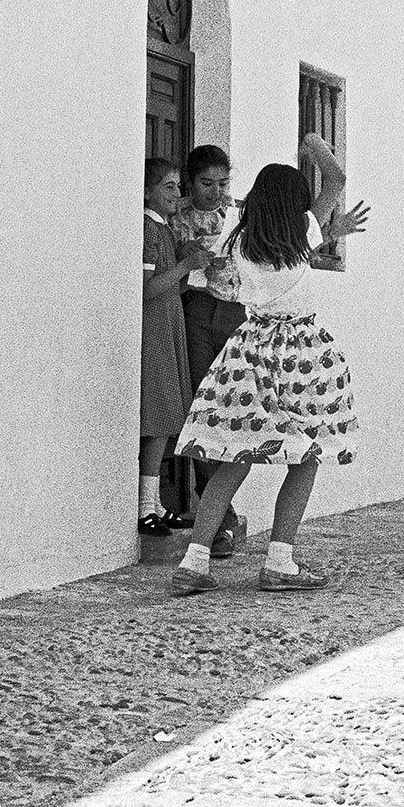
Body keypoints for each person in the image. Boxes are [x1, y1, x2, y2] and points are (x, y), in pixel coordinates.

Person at [170, 135, 370, 594]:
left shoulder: (239, 238)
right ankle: (280, 560)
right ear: (296, 204)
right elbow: (335, 178)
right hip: (301, 354)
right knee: (306, 455)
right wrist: (314, 143)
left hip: (250, 350)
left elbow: (215, 280)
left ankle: (194, 562)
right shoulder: (303, 231)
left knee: (234, 457)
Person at [169, 143, 246, 556]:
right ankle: (217, 513)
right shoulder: (175, 215)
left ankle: (218, 512)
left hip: (234, 311)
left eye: (222, 182)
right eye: (206, 183)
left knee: (231, 408)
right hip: (196, 309)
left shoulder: (236, 212)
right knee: (200, 404)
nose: (216, 191)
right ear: (189, 182)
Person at [140, 157, 203, 537]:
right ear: (147, 191)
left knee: (167, 415)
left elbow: (172, 285)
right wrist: (183, 267)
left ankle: (156, 502)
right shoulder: (148, 229)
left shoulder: (165, 230)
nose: (177, 194)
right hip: (155, 328)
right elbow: (145, 289)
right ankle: (146, 502)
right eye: (168, 187)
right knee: (160, 415)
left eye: (178, 186)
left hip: (169, 324)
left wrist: (192, 264)